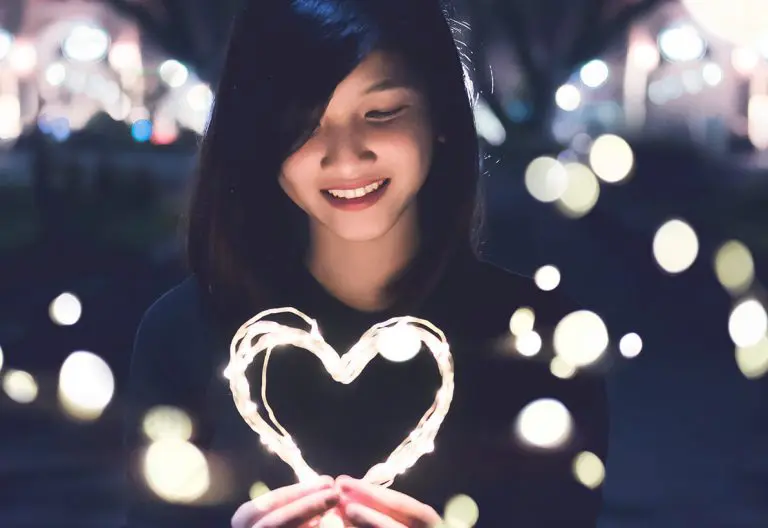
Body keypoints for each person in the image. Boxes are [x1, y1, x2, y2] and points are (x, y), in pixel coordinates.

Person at [122, 0, 609, 526]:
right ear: (261, 137)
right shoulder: (183, 336)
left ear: (441, 114)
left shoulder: (539, 344)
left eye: (381, 113)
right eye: (304, 122)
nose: (346, 155)